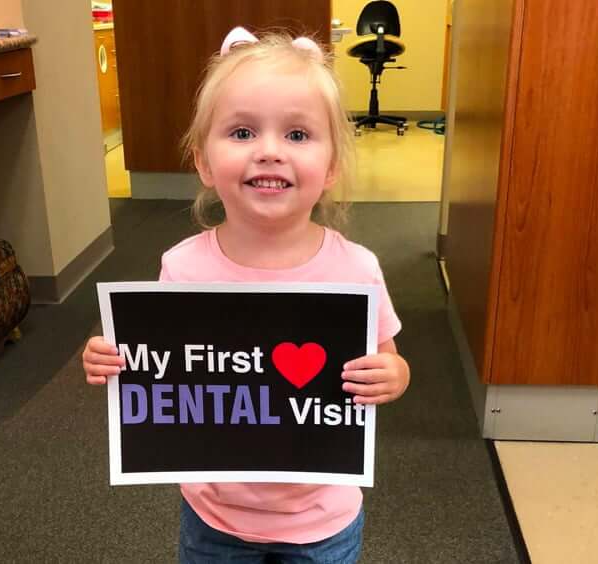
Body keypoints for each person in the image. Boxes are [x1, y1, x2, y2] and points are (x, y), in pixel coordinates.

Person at [82, 27, 411, 563]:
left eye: (298, 136)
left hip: (323, 517)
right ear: (204, 162)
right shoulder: (182, 267)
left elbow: (391, 361)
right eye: (241, 133)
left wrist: (391, 377)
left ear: (331, 167)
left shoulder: (356, 269)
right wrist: (113, 359)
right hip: (216, 517)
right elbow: (160, 366)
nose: (269, 153)